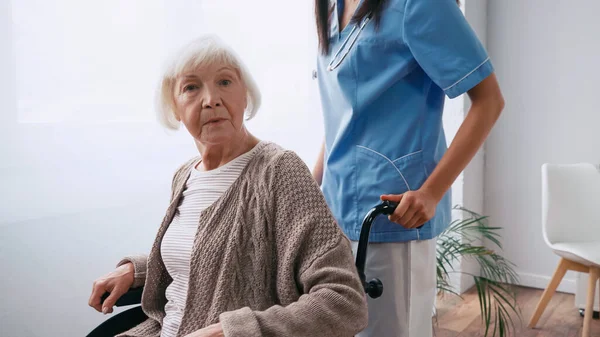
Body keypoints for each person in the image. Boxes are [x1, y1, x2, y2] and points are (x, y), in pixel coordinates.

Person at [88, 35, 368, 337]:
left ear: (245, 95)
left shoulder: (280, 171)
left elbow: (345, 301)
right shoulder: (184, 175)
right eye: (191, 87)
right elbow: (208, 258)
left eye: (224, 82)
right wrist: (138, 270)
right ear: (175, 108)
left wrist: (232, 331)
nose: (211, 100)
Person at [312, 0, 505, 336]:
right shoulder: (332, 9)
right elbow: (341, 119)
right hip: (335, 214)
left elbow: (489, 100)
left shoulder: (420, 4)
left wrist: (431, 193)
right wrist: (308, 191)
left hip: (392, 216)